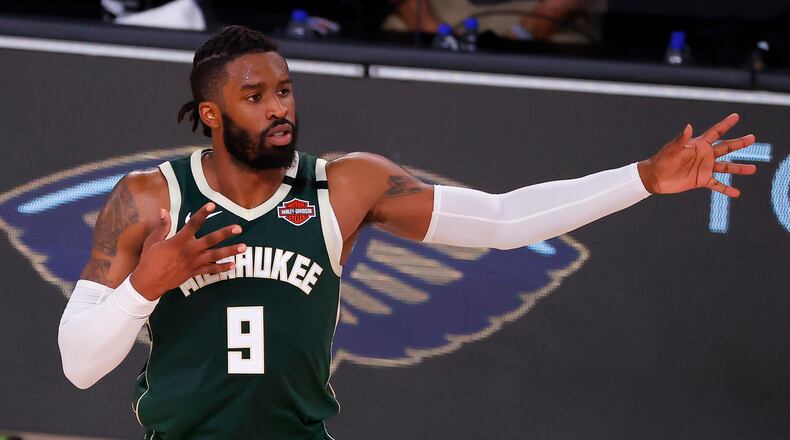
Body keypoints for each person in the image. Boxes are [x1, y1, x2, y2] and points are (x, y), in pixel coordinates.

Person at [57, 25, 756, 439]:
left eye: (284, 90)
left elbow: (506, 221)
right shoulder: (151, 198)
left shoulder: (345, 185)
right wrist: (143, 287)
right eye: (254, 97)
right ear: (210, 116)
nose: (279, 108)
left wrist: (643, 177)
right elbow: (79, 366)